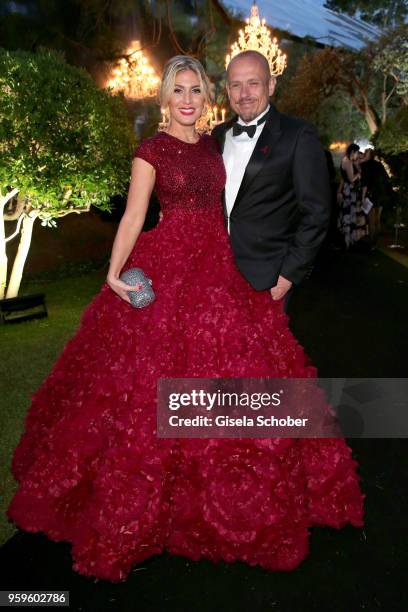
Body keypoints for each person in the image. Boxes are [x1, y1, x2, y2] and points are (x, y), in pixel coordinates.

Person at [7, 55, 364, 583]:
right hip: (169, 265)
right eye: (179, 90)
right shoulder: (151, 150)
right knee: (144, 385)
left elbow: (303, 210)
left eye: (197, 89)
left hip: (225, 269)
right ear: (164, 98)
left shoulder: (215, 141)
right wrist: (113, 271)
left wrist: (286, 274)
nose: (189, 99)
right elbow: (133, 214)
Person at [212, 50, 332, 309]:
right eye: (236, 85)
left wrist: (288, 274)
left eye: (253, 83)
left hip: (268, 281)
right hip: (215, 276)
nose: (244, 94)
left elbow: (317, 212)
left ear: (271, 85)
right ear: (228, 90)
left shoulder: (298, 135)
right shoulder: (217, 135)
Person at [337, 143, 367, 249]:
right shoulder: (348, 162)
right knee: (349, 214)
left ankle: (347, 241)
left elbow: (343, 177)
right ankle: (348, 242)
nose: (357, 156)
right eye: (357, 153)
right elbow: (351, 179)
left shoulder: (344, 160)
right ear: (352, 152)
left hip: (346, 190)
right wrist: (358, 174)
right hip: (349, 191)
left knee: (347, 213)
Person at [361, 148, 393, 248]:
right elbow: (387, 178)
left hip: (371, 195)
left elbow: (365, 184)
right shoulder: (379, 165)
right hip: (381, 195)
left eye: (365, 153)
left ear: (369, 155)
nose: (364, 155)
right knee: (377, 219)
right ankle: (376, 242)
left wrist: (362, 197)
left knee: (370, 220)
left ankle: (372, 242)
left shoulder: (365, 166)